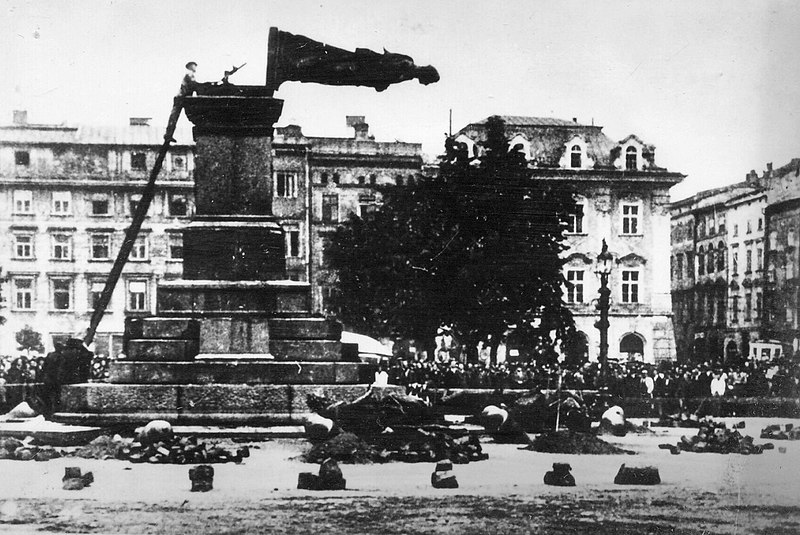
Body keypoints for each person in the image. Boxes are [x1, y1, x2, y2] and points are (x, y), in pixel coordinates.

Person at [165, 62, 200, 143]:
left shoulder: (189, 74)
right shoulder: (189, 73)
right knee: (175, 116)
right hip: (181, 97)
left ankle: (169, 134)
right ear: (190, 66)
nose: (195, 68)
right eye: (194, 66)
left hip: (184, 97)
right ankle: (168, 134)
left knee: (175, 116)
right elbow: (194, 84)